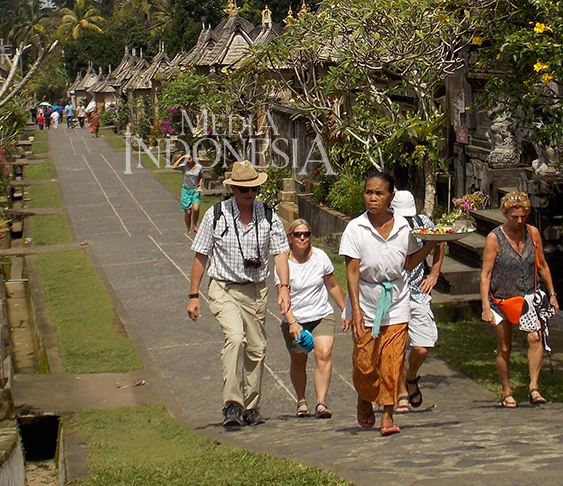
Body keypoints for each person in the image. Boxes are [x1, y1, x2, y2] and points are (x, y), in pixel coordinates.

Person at [186, 161, 291, 428]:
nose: (250, 194)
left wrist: (284, 289)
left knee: (257, 349)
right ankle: (232, 403)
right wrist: (193, 295)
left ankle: (251, 406)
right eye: (244, 189)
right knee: (235, 339)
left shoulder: (268, 216)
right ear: (233, 188)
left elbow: (280, 253)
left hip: (255, 290)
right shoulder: (216, 214)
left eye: (254, 189)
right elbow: (201, 255)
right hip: (224, 288)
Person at [339, 172, 436, 436]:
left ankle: (388, 416)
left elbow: (408, 262)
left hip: (396, 300)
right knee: (365, 364)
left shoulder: (404, 228)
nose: (373, 198)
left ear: (390, 197)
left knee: (392, 361)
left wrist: (432, 245)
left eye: (379, 193)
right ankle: (364, 396)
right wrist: (356, 311)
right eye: (368, 192)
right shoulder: (356, 229)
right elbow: (352, 272)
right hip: (366, 300)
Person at [479, 190, 559, 408]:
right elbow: (485, 274)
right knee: (504, 347)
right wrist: (485, 306)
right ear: (505, 214)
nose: (519, 220)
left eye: (523, 216)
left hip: (528, 297)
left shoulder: (532, 233)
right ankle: (506, 392)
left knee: (535, 338)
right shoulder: (495, 238)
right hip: (501, 298)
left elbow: (542, 265)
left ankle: (534, 387)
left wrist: (552, 294)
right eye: (515, 216)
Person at [279, 219, 348, 419]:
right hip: (296, 319)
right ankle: (301, 401)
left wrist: (345, 309)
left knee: (324, 354)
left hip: (321, 316)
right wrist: (292, 322)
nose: (302, 238)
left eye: (306, 234)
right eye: (298, 235)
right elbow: (282, 296)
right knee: (299, 360)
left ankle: (321, 403)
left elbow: (332, 285)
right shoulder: (283, 263)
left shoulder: (321, 257)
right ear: (290, 238)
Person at [391, 190, 445, 410]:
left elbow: (440, 241)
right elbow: (406, 262)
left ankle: (410, 377)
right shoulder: (387, 226)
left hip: (417, 290)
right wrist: (429, 246)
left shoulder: (422, 222)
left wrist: (434, 273)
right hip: (394, 291)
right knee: (397, 345)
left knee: (423, 345)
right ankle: (401, 393)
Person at [172, 153, 203, 234]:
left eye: (189, 159)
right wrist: (181, 157)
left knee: (196, 209)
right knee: (188, 212)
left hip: (195, 190)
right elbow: (173, 167)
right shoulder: (184, 166)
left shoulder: (199, 167)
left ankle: (195, 225)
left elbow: (200, 176)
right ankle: (188, 228)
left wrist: (200, 185)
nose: (188, 161)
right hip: (186, 191)